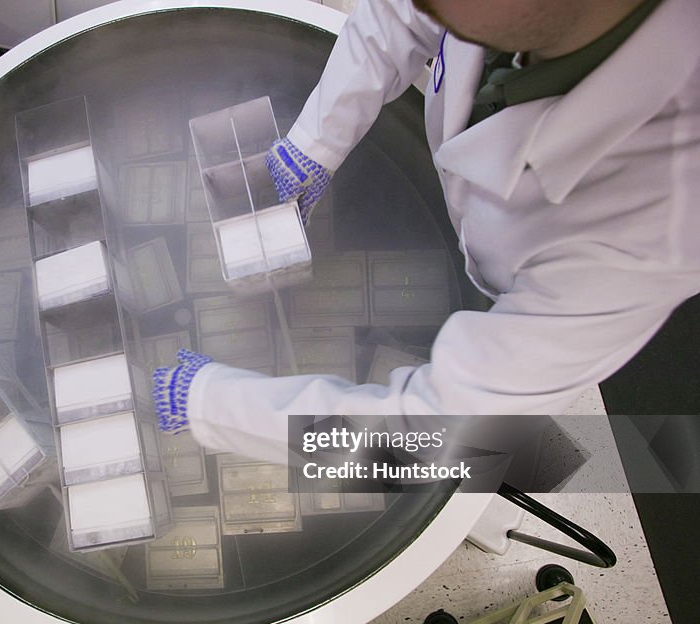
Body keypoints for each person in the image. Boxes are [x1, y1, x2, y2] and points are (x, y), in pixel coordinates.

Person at [153, 0, 700, 458]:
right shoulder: (515, 13)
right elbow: (400, 15)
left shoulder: (656, 229)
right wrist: (314, 143)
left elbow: (435, 444)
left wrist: (213, 406)